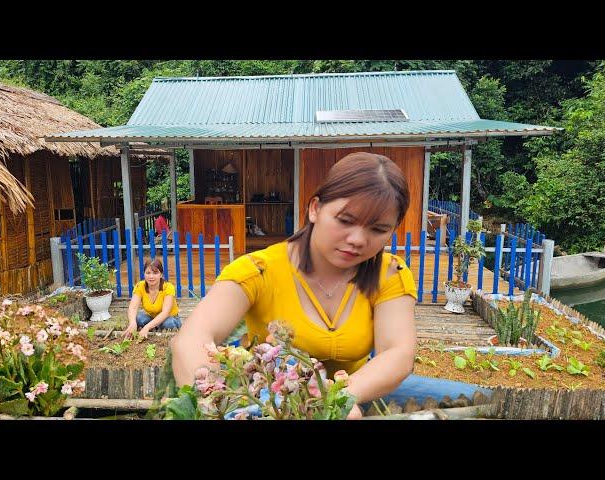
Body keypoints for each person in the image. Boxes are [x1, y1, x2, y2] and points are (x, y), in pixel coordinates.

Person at [171, 152, 439, 419]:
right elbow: (190, 340)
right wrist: (210, 393)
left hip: (361, 393)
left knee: (472, 397)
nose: (358, 239)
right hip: (274, 402)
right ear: (315, 209)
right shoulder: (258, 270)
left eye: (378, 229)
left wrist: (338, 400)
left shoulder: (390, 273)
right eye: (345, 221)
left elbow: (397, 352)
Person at [123, 258, 181, 340]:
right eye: (148, 273)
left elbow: (165, 313)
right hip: (151, 317)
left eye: (155, 273)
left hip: (169, 318)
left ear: (161, 274)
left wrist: (147, 327)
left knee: (169, 324)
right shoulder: (140, 286)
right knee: (138, 318)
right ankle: (154, 328)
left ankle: (155, 330)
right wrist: (132, 323)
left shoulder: (168, 287)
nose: (151, 276)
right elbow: (133, 307)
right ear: (144, 274)